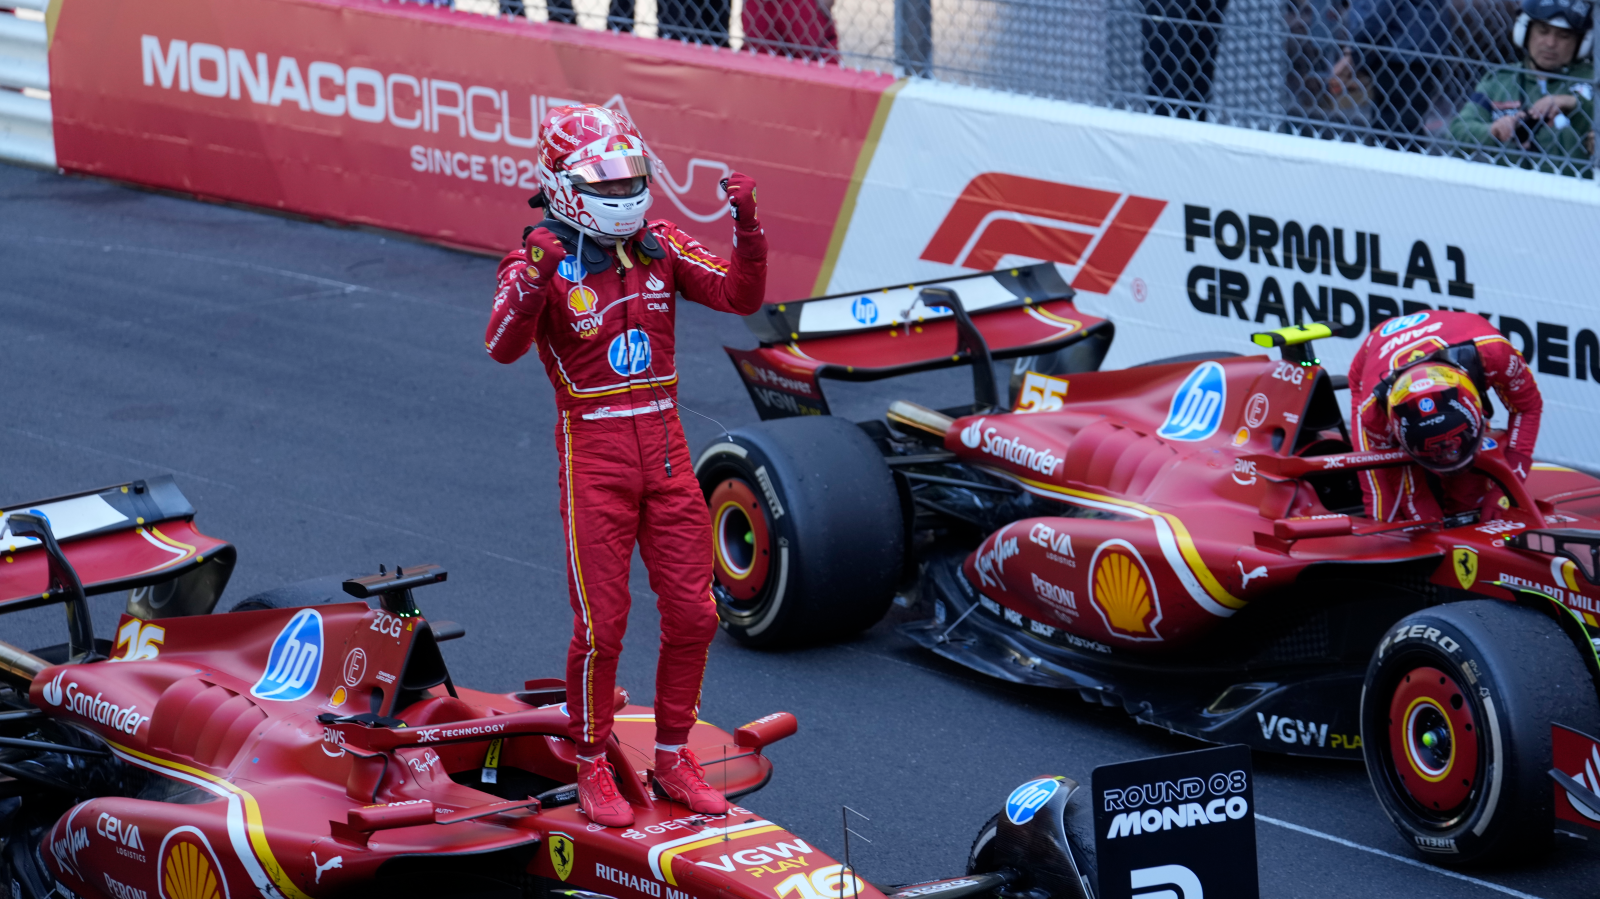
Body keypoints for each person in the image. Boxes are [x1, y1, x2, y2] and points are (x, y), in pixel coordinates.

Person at [484, 104, 767, 827]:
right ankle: (590, 762)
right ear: (564, 184)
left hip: (668, 453)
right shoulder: (537, 259)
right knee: (602, 625)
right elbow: (500, 346)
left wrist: (748, 229)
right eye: (605, 181)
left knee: (696, 614)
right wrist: (533, 278)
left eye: (629, 177)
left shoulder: (660, 245)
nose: (623, 192)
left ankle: (673, 755)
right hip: (594, 458)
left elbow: (740, 294)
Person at [1348, 310, 1542, 523]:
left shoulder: (1494, 353)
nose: (1450, 460)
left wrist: (1502, 492)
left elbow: (1527, 408)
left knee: (1470, 495)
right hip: (1373, 357)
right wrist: (1432, 529)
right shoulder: (1374, 412)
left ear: (1476, 406)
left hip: (1455, 336)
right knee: (1386, 511)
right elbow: (1410, 492)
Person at [1448, 0, 1595, 175]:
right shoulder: (1500, 80)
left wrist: (1575, 105)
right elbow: (1457, 131)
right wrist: (1492, 131)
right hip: (1510, 186)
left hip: (1577, 188)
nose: (1550, 43)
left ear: (1581, 42)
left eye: (1564, 36)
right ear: (1524, 31)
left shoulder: (1594, 81)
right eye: (1543, 31)